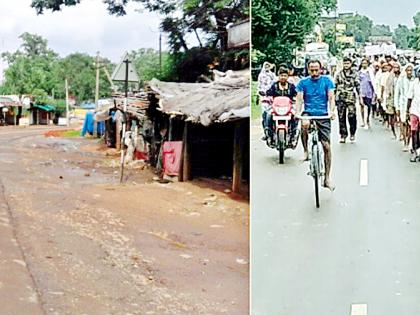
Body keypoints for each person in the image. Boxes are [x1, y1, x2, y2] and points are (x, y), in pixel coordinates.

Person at [296, 60, 336, 190]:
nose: (314, 72)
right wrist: (297, 112)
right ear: (308, 70)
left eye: (316, 69)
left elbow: (331, 98)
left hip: (323, 115)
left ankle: (327, 178)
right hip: (308, 113)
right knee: (305, 124)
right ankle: (306, 151)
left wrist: (332, 111)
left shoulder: (327, 81)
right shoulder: (303, 83)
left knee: (326, 146)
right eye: (311, 70)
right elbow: (299, 99)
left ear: (320, 69)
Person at [266, 66, 298, 145]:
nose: (283, 77)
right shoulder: (274, 86)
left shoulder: (291, 86)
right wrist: (265, 94)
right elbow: (268, 92)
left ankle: (293, 135)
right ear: (278, 76)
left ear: (288, 76)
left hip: (288, 108)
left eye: (285, 75)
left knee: (295, 116)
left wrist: (297, 98)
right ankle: (268, 134)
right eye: (281, 75)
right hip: (276, 108)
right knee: (267, 115)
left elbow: (297, 94)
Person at [335, 57, 362, 143]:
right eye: (345, 63)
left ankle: (352, 133)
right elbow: (334, 86)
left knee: (352, 116)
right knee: (341, 117)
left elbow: (358, 86)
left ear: (351, 64)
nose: (346, 65)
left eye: (348, 63)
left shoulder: (354, 74)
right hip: (341, 97)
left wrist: (360, 97)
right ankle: (343, 135)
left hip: (350, 98)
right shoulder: (339, 74)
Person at [395, 63, 415, 151]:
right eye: (408, 70)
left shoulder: (415, 81)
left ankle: (410, 141)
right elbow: (397, 94)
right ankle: (405, 142)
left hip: (413, 106)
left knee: (411, 125)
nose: (409, 72)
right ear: (405, 71)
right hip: (402, 104)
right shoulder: (401, 80)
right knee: (403, 123)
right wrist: (397, 107)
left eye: (411, 70)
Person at [258, 62, 276, 140]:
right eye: (266, 66)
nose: (267, 67)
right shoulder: (261, 75)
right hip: (264, 98)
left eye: (268, 66)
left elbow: (275, 84)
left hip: (273, 98)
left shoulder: (272, 75)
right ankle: (266, 133)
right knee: (264, 116)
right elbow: (259, 86)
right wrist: (259, 94)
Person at [407, 68, 420, 162]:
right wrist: (408, 110)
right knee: (414, 132)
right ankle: (415, 151)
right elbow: (409, 97)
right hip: (414, 110)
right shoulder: (414, 83)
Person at [359, 58, 376, 128]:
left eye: (365, 63)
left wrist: (375, 92)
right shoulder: (359, 72)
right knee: (362, 106)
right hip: (362, 91)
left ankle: (368, 119)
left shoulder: (370, 72)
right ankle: (363, 120)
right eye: (363, 63)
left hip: (369, 92)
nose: (364, 64)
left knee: (369, 107)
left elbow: (373, 81)